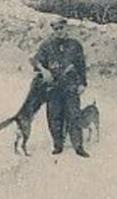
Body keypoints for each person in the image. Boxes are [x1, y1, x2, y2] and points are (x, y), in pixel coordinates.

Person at [32, 16, 89, 157]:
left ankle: (78, 146)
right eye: (56, 29)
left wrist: (82, 83)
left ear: (66, 28)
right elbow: (36, 61)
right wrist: (43, 70)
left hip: (70, 86)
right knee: (54, 116)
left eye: (61, 28)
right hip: (53, 87)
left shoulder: (75, 45)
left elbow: (81, 65)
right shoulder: (47, 45)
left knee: (74, 115)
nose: (59, 31)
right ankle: (58, 144)